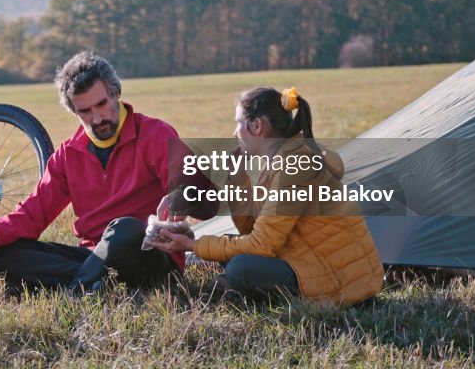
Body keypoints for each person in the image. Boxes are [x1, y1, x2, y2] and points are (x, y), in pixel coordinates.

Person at [0, 51, 184, 294]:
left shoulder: (156, 134)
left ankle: (75, 289)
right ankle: (95, 284)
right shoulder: (67, 155)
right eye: (85, 111)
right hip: (90, 257)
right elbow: (33, 212)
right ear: (74, 111)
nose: (97, 118)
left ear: (116, 93)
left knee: (125, 228)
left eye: (101, 104)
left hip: (147, 255)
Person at [147, 87, 384, 306]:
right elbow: (252, 231)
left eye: (237, 123)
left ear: (257, 126)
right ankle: (232, 282)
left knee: (240, 268)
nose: (234, 132)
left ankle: (234, 286)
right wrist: (238, 177)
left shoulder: (294, 166)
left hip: (341, 284)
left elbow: (261, 245)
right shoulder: (281, 161)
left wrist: (193, 245)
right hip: (311, 260)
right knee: (232, 249)